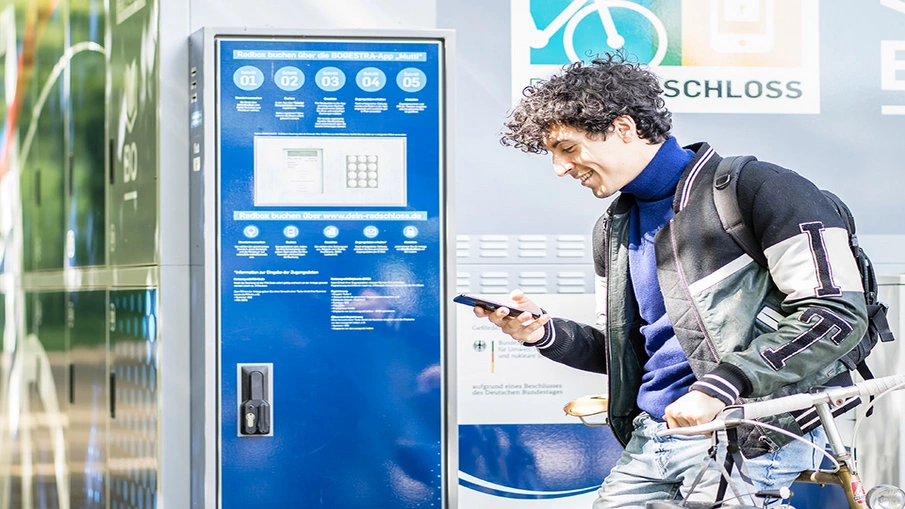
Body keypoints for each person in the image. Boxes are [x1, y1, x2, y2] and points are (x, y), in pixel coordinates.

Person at [475, 53, 868, 508]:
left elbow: (836, 314)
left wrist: (720, 386)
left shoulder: (758, 188)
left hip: (750, 427)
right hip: (655, 434)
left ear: (623, 128)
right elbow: (627, 350)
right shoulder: (613, 229)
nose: (560, 168)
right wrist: (543, 333)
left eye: (567, 148)